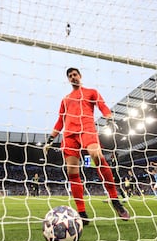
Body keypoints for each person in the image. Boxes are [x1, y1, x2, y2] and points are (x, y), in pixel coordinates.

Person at [44, 67, 130, 225]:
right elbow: (60, 120)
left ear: (80, 76)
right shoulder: (65, 99)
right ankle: (82, 213)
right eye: (70, 76)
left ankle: (115, 200)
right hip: (69, 134)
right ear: (68, 79)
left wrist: (109, 117)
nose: (72, 77)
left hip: (87, 129)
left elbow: (102, 105)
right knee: (72, 172)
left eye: (74, 74)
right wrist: (51, 139)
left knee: (97, 156)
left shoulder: (91, 92)